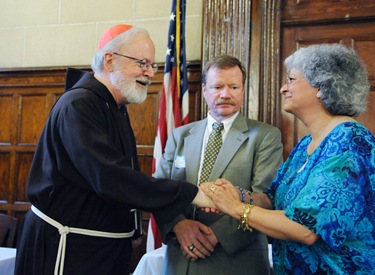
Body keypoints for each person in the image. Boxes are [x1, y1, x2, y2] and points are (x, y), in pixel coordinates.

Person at [14, 24, 213, 275]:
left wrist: (132, 227)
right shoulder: (79, 106)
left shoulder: (114, 106)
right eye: (142, 63)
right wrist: (189, 193)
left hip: (101, 248)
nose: (150, 73)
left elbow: (121, 174)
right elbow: (109, 177)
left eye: (152, 65)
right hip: (67, 248)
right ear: (109, 60)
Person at [202, 44, 375, 274]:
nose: (284, 88)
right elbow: (273, 199)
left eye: (292, 79)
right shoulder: (306, 143)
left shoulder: (348, 142)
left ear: (322, 87)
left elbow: (304, 228)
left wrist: (235, 207)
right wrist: (239, 194)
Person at [154, 55, 284, 274]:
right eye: (217, 87)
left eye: (234, 86)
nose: (226, 94)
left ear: (243, 90)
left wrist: (214, 236)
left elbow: (267, 199)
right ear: (204, 90)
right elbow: (157, 190)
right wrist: (179, 226)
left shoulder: (265, 136)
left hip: (236, 260)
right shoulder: (180, 135)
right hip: (181, 259)